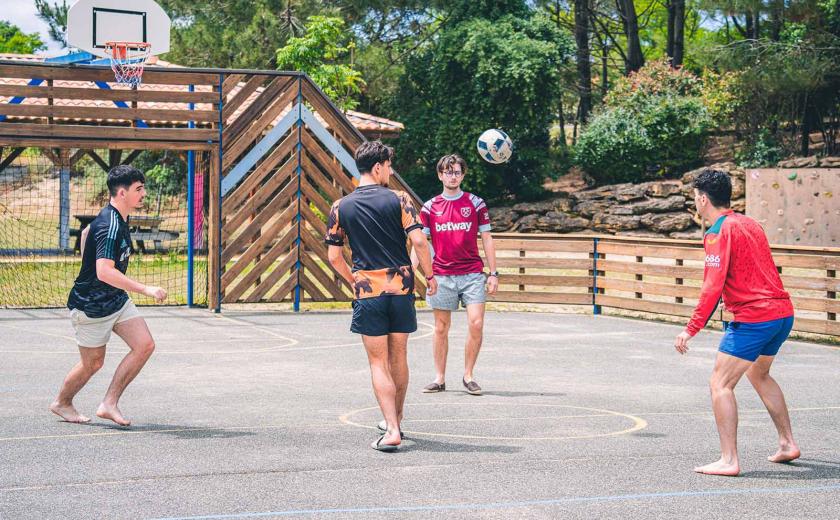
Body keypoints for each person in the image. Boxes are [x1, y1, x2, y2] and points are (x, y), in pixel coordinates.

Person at [674, 168, 799, 476]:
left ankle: (729, 460)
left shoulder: (716, 232)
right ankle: (787, 444)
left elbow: (712, 286)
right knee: (760, 374)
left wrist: (691, 328)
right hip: (782, 314)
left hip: (755, 318)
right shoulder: (751, 224)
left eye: (695, 197)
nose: (695, 202)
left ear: (703, 199)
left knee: (720, 383)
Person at [325, 140, 437, 452]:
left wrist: (354, 281)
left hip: (368, 293)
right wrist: (429, 276)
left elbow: (334, 257)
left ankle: (391, 429)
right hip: (400, 290)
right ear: (378, 167)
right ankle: (395, 421)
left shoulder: (340, 207)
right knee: (399, 357)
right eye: (388, 166)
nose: (390, 171)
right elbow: (419, 241)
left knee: (378, 362)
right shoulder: (400, 199)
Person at [50, 165, 167, 427]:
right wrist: (146, 289)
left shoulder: (117, 216)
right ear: (122, 192)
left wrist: (87, 260)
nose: (143, 193)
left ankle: (109, 403)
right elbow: (104, 272)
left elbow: (85, 233)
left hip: (116, 300)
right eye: (139, 189)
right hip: (91, 306)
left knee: (145, 344)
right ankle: (62, 402)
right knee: (92, 364)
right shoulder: (111, 225)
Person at [413, 154, 497, 395]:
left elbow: (487, 239)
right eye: (448, 172)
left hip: (472, 274)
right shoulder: (430, 207)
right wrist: (412, 270)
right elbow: (419, 242)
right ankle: (439, 378)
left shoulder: (476, 204)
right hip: (442, 275)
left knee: (476, 323)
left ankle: (468, 375)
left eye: (457, 172)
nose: (453, 176)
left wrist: (493, 273)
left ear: (463, 175)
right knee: (441, 327)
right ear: (440, 175)